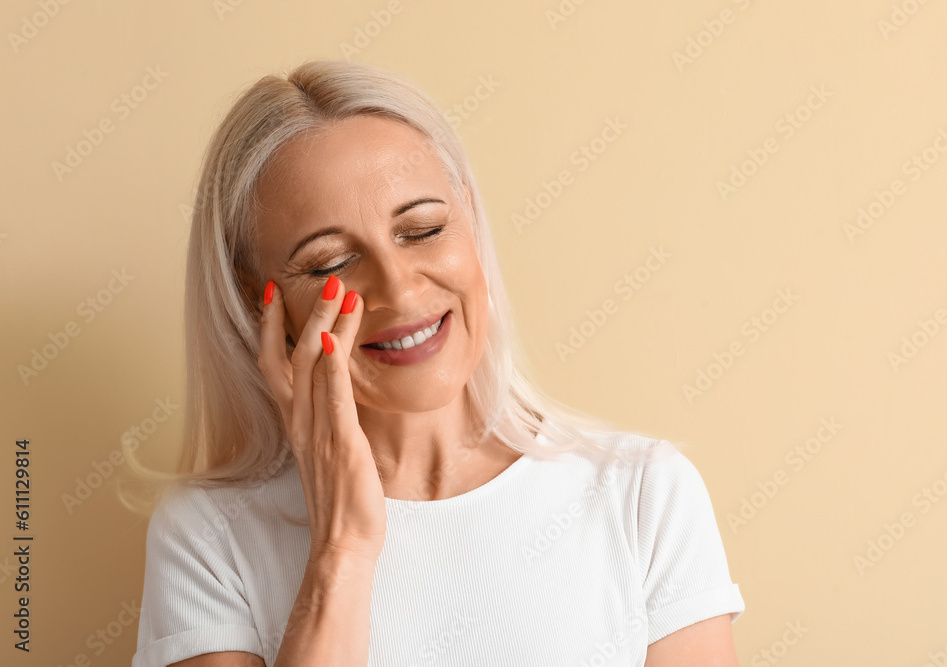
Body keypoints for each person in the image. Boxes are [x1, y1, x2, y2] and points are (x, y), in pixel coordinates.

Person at [126, 59, 745, 667]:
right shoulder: (209, 538)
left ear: (469, 220)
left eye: (422, 229)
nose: (398, 289)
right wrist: (342, 551)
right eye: (329, 264)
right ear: (257, 298)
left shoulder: (644, 494)